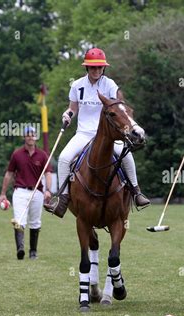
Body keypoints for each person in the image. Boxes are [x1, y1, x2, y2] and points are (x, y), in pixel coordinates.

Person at [44, 47, 149, 218]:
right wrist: (68, 115)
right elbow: (73, 108)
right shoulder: (77, 85)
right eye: (93, 67)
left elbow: (120, 108)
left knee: (127, 157)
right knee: (63, 158)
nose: (96, 71)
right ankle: (63, 200)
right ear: (87, 68)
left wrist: (131, 126)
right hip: (84, 133)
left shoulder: (110, 84)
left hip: (107, 135)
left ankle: (137, 192)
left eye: (100, 67)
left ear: (104, 68)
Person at [0, 126, 52, 260]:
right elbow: (9, 173)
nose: (30, 137)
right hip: (20, 191)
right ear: (24, 137)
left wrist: (48, 191)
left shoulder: (42, 155)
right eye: (28, 135)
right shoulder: (17, 154)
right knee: (19, 220)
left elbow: (48, 173)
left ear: (36, 137)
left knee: (35, 222)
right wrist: (3, 193)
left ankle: (33, 252)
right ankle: (20, 249)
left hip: (37, 192)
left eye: (33, 134)